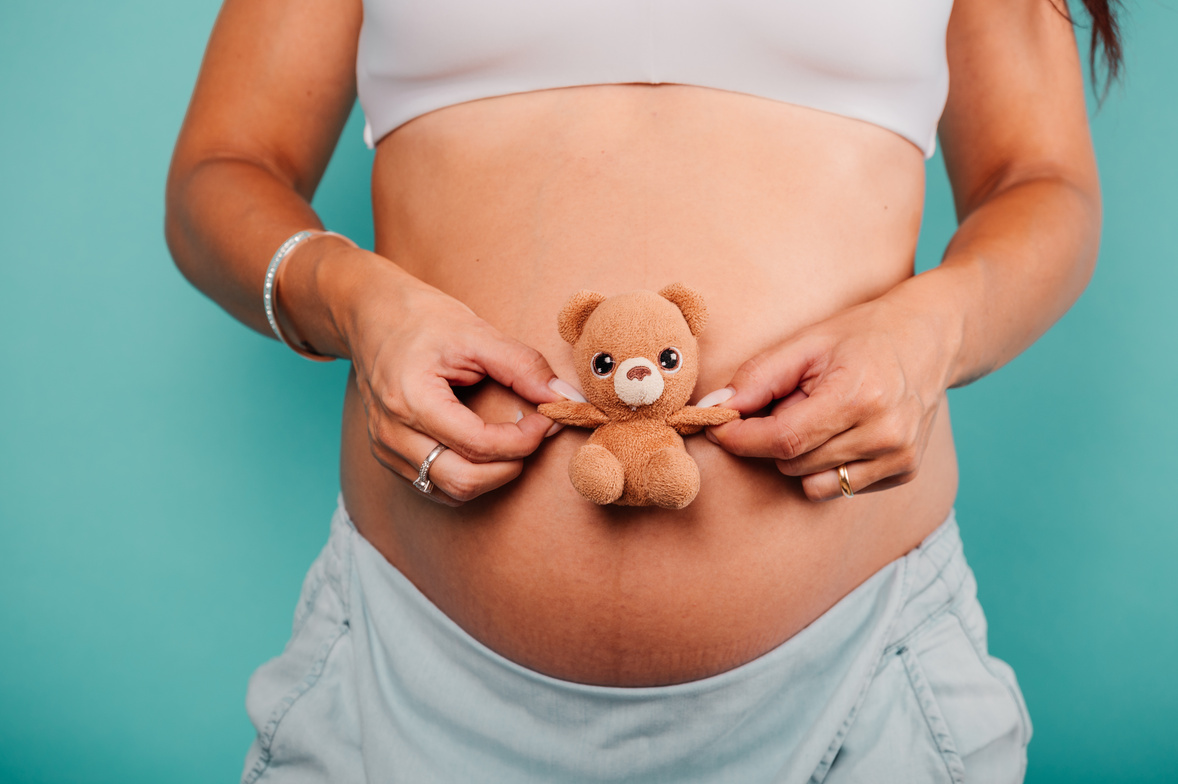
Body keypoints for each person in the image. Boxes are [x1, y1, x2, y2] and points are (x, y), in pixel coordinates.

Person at [165, 0, 1120, 781]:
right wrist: (348, 298)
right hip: (404, 674)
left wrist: (933, 329)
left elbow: (1038, 179)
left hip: (862, 682)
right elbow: (222, 170)